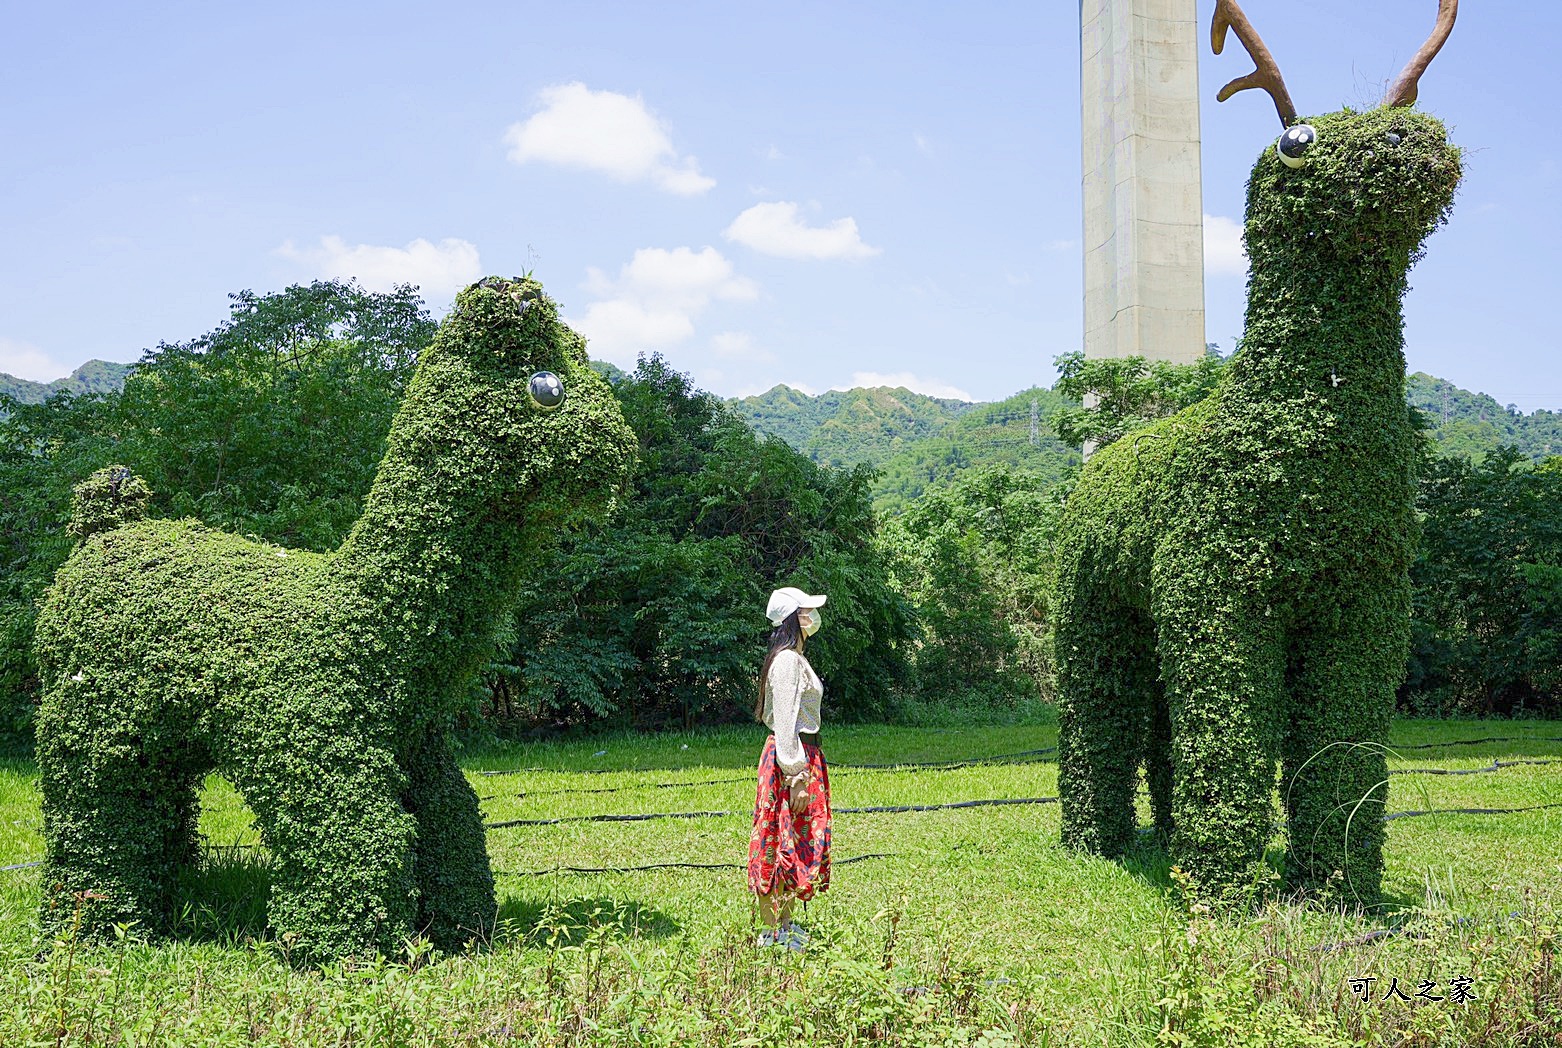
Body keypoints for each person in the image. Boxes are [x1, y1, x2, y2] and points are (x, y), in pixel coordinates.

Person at [747, 585, 832, 952]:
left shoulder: (795, 658)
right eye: (805, 612)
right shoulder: (785, 663)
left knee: (794, 840)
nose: (811, 618)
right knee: (776, 842)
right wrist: (796, 775)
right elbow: (785, 724)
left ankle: (787, 926)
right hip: (791, 762)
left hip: (804, 758)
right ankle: (771, 933)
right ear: (792, 619)